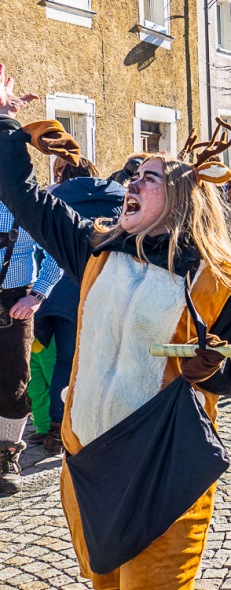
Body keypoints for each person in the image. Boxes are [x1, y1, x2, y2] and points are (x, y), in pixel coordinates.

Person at [0, 76, 231, 587]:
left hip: (163, 467)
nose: (132, 184)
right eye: (134, 175)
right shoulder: (97, 249)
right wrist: (6, 120)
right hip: (88, 460)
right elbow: (25, 197)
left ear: (183, 198)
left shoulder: (216, 281)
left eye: (149, 178)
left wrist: (212, 369)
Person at [31, 159, 125, 458]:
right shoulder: (121, 198)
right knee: (110, 359)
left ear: (62, 174)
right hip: (107, 286)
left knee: (64, 362)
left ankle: (58, 430)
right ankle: (106, 425)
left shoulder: (51, 197)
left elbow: (38, 243)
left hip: (60, 290)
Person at [0, 199, 62, 493]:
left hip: (15, 301)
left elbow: (57, 250)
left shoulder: (27, 202)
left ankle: (7, 455)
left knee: (16, 381)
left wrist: (38, 295)